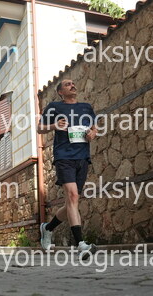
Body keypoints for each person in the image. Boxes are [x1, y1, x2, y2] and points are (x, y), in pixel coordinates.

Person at [37, 79, 98, 259]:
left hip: (82, 157)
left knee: (72, 201)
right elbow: (40, 128)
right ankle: (81, 244)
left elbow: (94, 128)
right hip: (64, 157)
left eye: (73, 83)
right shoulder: (54, 107)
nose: (72, 85)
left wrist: (92, 134)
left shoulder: (86, 107)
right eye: (67, 85)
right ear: (60, 92)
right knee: (72, 196)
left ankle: (48, 228)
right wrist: (54, 126)